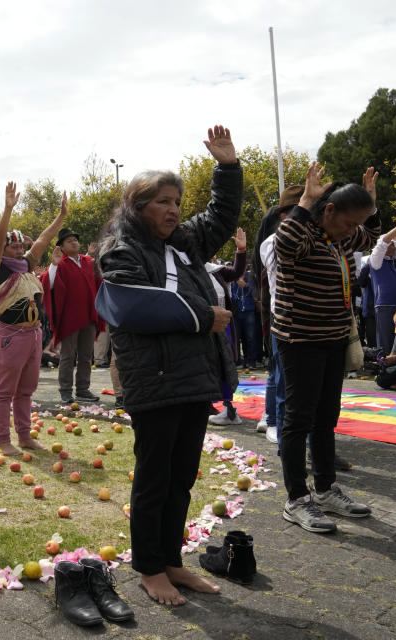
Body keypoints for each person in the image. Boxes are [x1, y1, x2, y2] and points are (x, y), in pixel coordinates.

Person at [96, 125, 242, 605]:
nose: (174, 209)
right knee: (154, 477)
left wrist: (227, 169)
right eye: (163, 201)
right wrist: (205, 317)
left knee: (183, 476)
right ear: (138, 207)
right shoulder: (121, 249)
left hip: (194, 378)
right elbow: (132, 305)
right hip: (155, 380)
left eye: (177, 200)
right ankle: (148, 568)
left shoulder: (183, 241)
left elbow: (220, 219)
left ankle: (173, 561)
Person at [273, 163, 378, 533]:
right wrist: (304, 202)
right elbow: (284, 244)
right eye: (350, 222)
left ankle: (324, 489)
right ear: (329, 211)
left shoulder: (340, 238)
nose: (355, 231)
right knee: (298, 418)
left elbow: (368, 238)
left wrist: (371, 206)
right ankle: (296, 499)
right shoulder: (303, 236)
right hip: (300, 341)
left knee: (325, 417)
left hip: (333, 339)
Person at [0, 182, 68, 456]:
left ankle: (24, 436)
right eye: (14, 247)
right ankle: (2, 440)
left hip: (33, 336)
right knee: (4, 391)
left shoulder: (27, 265)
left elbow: (43, 241)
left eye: (21, 246)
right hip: (10, 336)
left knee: (26, 390)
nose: (19, 250)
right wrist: (7, 209)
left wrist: (60, 218)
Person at [251, 187, 304, 445]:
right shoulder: (271, 243)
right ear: (285, 216)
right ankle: (274, 422)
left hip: (309, 323)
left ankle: (297, 432)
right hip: (283, 320)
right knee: (280, 376)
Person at [43, 229, 104, 403]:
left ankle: (83, 389)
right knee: (67, 356)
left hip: (89, 315)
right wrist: (53, 265)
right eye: (69, 241)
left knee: (86, 356)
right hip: (69, 319)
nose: (74, 242)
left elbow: (99, 282)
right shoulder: (59, 264)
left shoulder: (88, 262)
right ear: (61, 247)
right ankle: (65, 391)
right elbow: (50, 285)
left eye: (75, 240)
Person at [207, 229, 246, 426]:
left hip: (224, 327)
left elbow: (237, 272)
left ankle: (227, 407)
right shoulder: (189, 271)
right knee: (208, 366)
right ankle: (207, 404)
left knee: (226, 365)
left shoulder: (215, 270)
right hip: (205, 328)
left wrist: (241, 249)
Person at [368, 213, 396, 352]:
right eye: (391, 243)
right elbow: (382, 244)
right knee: (387, 341)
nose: (394, 245)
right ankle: (385, 369)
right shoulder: (376, 261)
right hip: (386, 306)